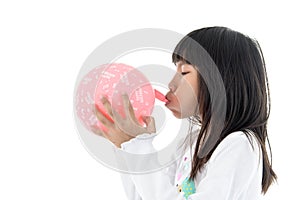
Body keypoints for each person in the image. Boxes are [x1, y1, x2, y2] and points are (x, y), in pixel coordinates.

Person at [93, 26, 277, 199]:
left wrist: (138, 146)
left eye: (184, 72)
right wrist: (128, 148)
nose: (171, 84)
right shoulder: (190, 143)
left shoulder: (239, 145)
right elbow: (143, 196)